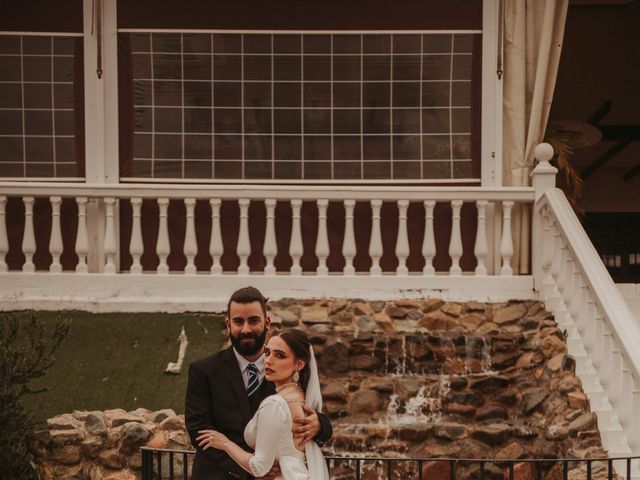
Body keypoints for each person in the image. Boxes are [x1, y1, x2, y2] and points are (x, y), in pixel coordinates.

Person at [185, 287, 332, 480]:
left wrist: (319, 425)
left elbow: (319, 417)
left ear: (267, 322)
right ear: (229, 324)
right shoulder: (203, 370)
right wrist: (250, 465)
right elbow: (198, 429)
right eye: (238, 321)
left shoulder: (287, 374)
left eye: (253, 320)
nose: (246, 329)